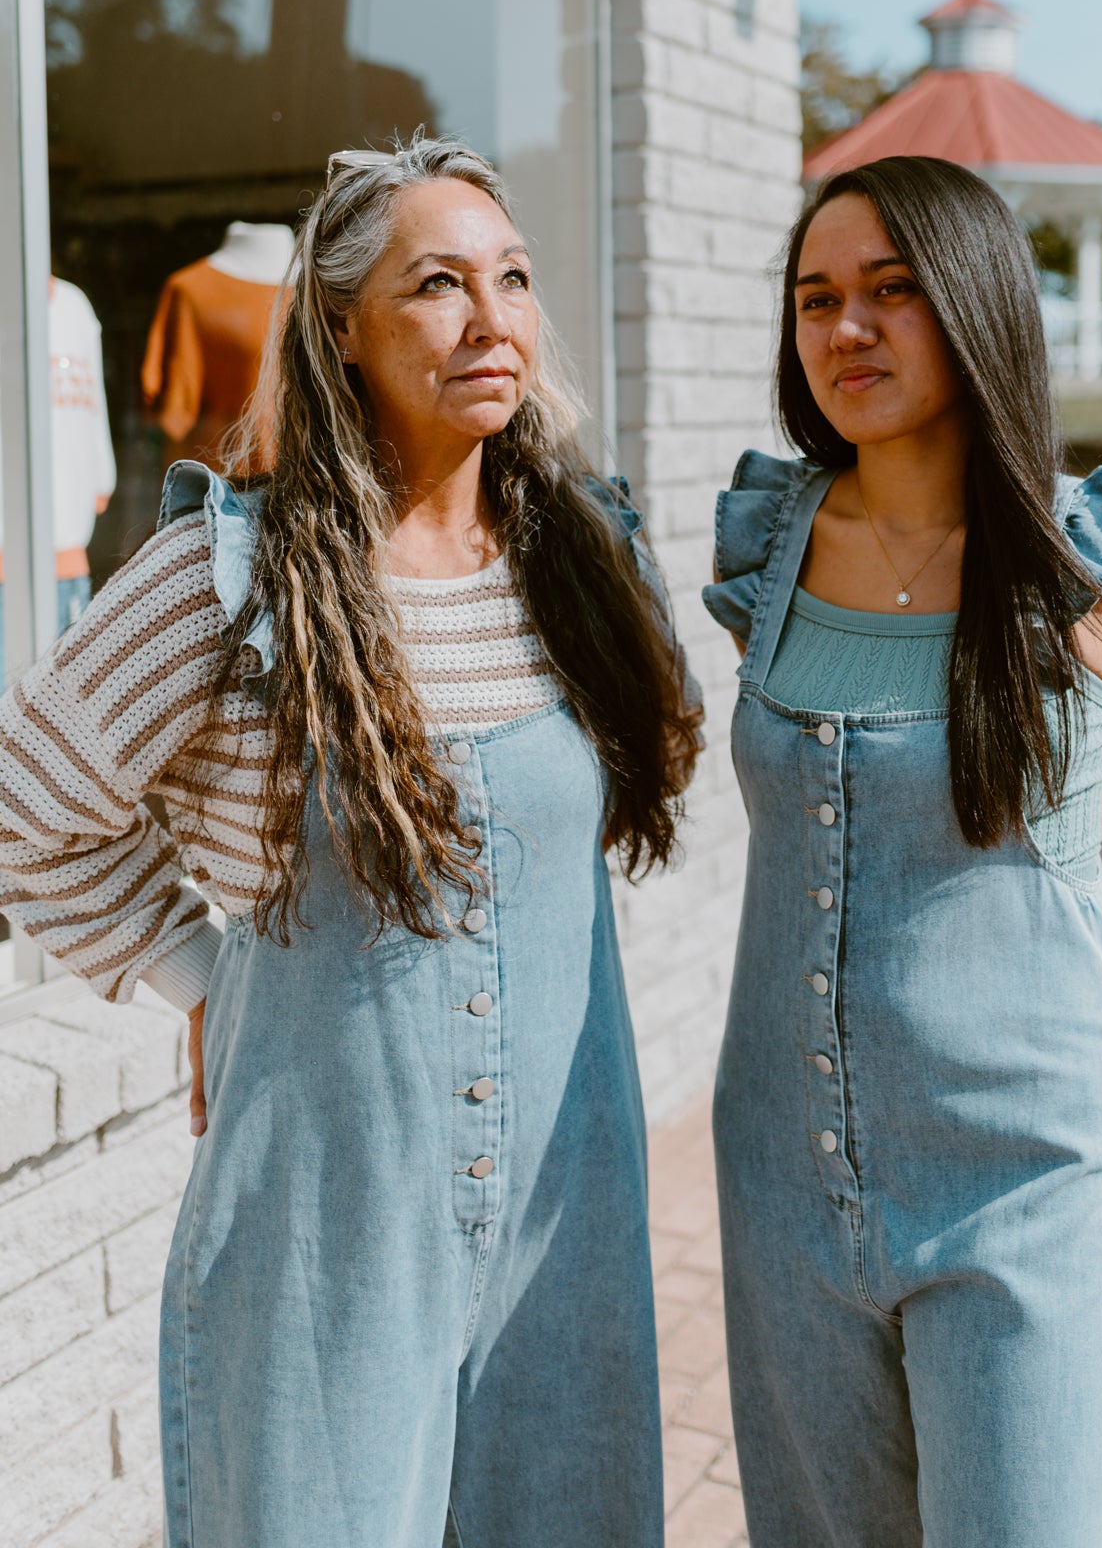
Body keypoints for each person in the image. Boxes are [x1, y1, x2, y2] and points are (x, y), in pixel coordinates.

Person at [0, 136, 701, 1548]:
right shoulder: (229, 580)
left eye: (509, 278)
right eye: (435, 286)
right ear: (340, 329)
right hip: (320, 1243)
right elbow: (31, 812)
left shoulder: (584, 560)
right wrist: (196, 974)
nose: (491, 319)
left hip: (565, 1236)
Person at [702, 156, 1102, 1548]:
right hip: (782, 1174)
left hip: (1031, 1171)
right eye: (817, 298)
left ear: (976, 304)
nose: (848, 330)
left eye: (893, 293)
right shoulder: (770, 547)